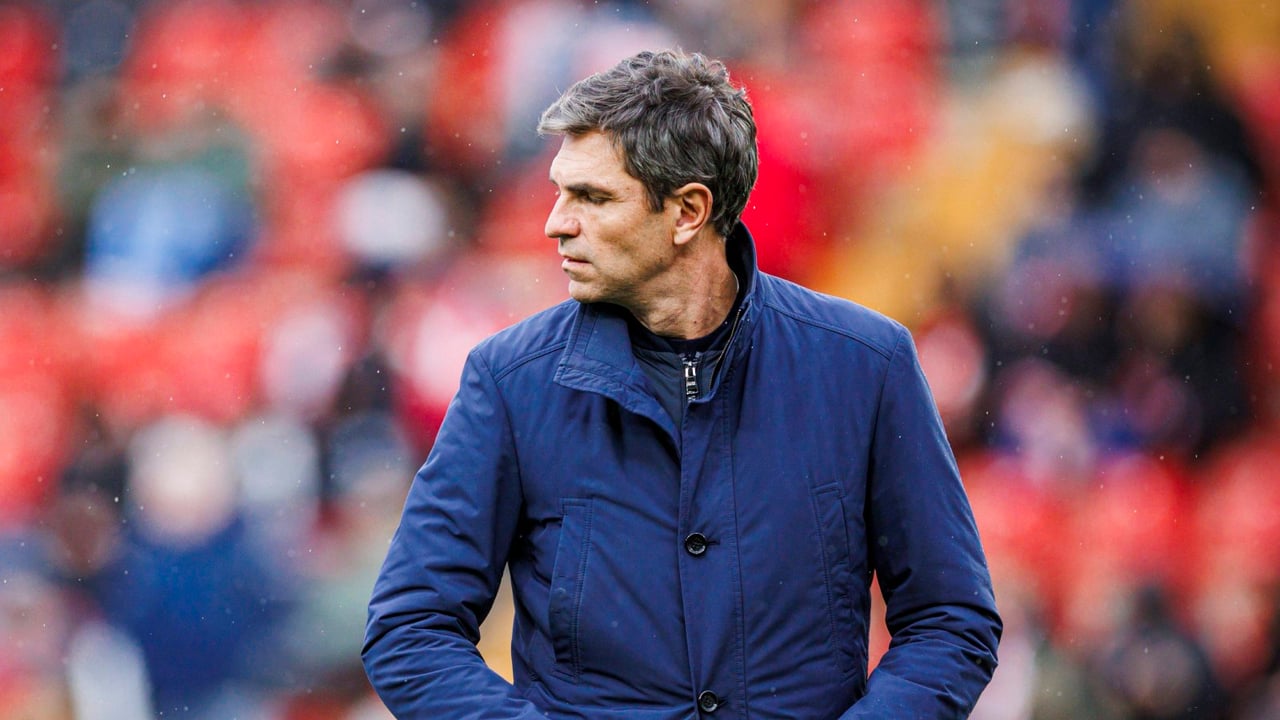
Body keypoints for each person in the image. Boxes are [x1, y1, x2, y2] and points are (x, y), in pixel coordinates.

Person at [363, 49, 1001, 718]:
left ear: (689, 212)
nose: (556, 222)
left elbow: (950, 619)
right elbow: (410, 630)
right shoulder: (510, 382)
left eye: (592, 197)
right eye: (560, 191)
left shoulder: (865, 366)